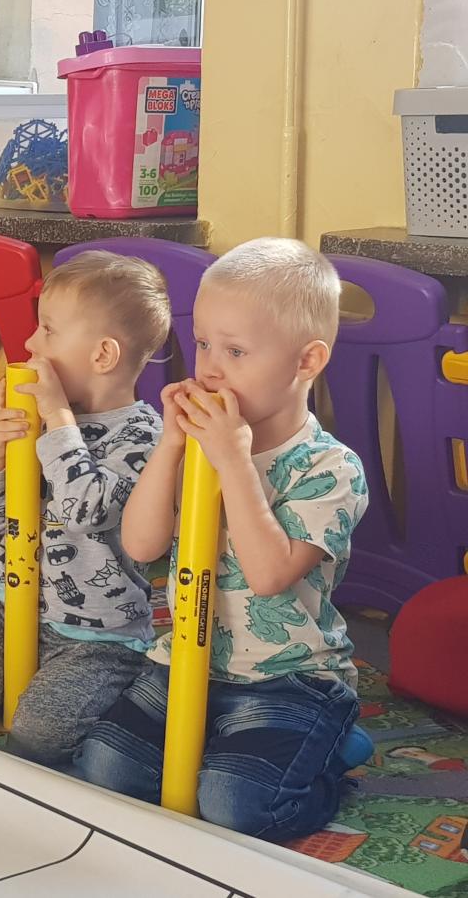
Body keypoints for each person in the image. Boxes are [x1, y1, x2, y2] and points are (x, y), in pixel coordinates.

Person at [77, 238, 369, 841]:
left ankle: (329, 760)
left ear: (307, 362)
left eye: (235, 351)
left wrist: (233, 461)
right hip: (186, 660)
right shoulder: (197, 443)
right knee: (104, 767)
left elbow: (270, 575)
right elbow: (141, 546)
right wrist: (171, 446)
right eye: (204, 343)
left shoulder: (330, 467)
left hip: (289, 676)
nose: (209, 368)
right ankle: (239, 747)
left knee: (235, 804)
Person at [0, 251, 171, 768]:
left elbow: (86, 510)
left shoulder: (143, 438)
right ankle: (28, 689)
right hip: (9, 613)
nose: (29, 344)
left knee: (37, 739)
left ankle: (129, 696)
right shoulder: (39, 417)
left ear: (103, 355)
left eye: (48, 329)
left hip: (98, 637)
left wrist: (58, 419)